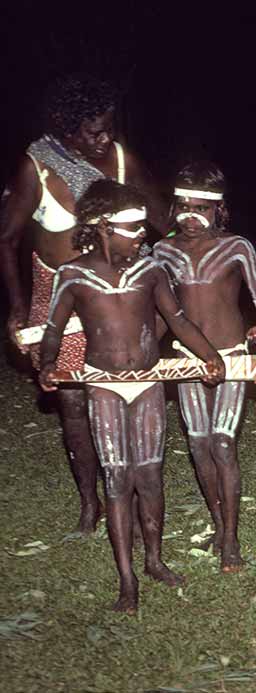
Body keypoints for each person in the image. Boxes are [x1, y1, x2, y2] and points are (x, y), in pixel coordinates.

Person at [38, 180, 224, 614]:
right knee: (118, 479)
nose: (144, 234)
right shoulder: (74, 275)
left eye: (143, 227)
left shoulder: (150, 271)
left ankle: (154, 558)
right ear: (103, 227)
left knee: (150, 476)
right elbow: (53, 329)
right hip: (104, 385)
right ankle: (127, 579)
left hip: (147, 385)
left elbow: (177, 320)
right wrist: (47, 363)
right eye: (134, 227)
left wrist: (210, 356)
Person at [0, 74, 162, 534]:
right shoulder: (39, 164)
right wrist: (16, 307)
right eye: (93, 131)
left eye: (109, 127)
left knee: (121, 394)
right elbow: (7, 237)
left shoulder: (122, 160)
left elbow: (162, 220)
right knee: (72, 401)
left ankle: (129, 493)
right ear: (68, 129)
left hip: (120, 296)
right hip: (58, 292)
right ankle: (90, 501)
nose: (104, 138)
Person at [153, 162, 256, 572]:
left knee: (223, 443)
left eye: (201, 207)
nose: (191, 215)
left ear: (219, 209)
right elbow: (163, 313)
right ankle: (219, 522)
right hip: (186, 358)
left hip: (233, 354)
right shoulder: (163, 251)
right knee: (199, 444)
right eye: (183, 205)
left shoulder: (238, 246)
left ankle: (232, 539)